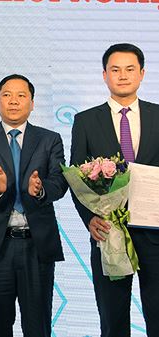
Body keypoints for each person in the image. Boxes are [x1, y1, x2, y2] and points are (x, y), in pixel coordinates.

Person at [0, 74, 68, 337]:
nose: (13, 101)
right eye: (7, 95)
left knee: (38, 326)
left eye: (21, 96)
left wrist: (40, 189)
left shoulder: (50, 139)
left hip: (37, 245)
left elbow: (60, 182)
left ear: (32, 103)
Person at [70, 43, 159, 337]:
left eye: (130, 69)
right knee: (113, 320)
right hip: (109, 233)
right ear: (104, 75)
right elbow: (77, 177)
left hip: (155, 234)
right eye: (115, 69)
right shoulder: (85, 121)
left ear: (142, 73)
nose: (122, 75)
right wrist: (90, 219)